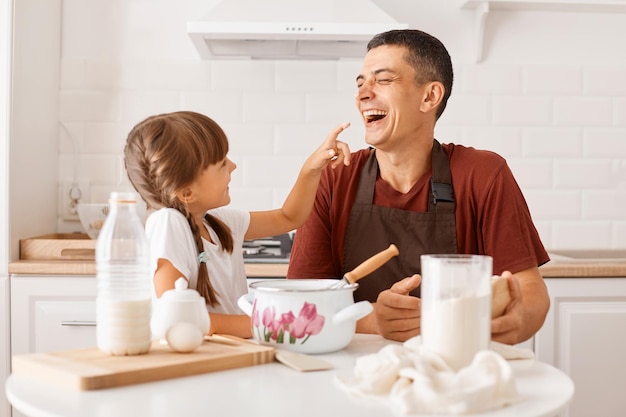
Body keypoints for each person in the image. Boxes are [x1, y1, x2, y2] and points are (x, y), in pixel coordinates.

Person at [286, 29, 551, 345]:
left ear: (430, 96)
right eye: (360, 84)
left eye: (382, 80)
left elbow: (530, 291)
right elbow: (300, 306)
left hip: (457, 370)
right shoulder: (334, 178)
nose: (363, 94)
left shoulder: (483, 174)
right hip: (352, 373)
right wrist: (374, 320)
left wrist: (520, 318)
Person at [124, 111, 351, 338]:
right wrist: (268, 325)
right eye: (222, 163)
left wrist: (311, 169)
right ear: (187, 192)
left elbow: (289, 217)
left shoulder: (220, 224)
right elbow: (175, 316)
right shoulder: (168, 222)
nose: (233, 166)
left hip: (229, 355)